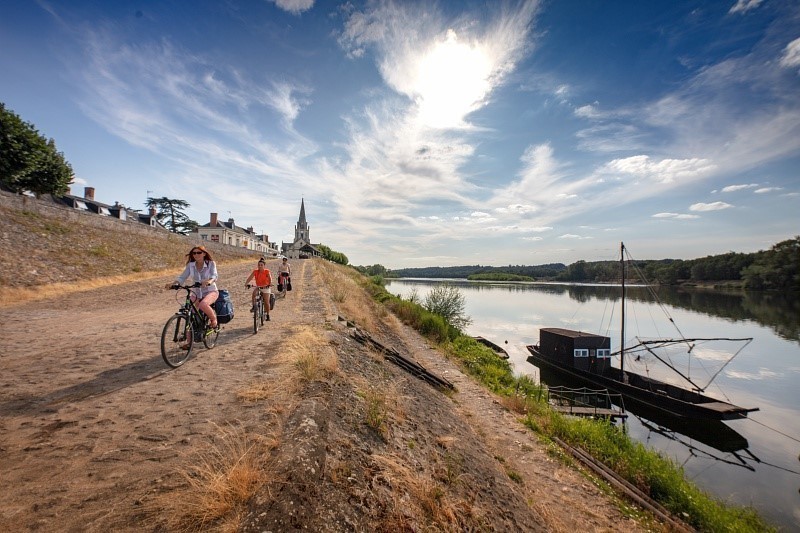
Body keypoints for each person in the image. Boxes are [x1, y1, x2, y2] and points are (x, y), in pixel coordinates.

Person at [165, 245, 220, 329]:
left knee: (203, 304)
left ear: (204, 254)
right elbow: (182, 277)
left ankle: (213, 320)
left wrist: (209, 281)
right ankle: (189, 340)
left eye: (199, 252)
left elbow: (214, 275)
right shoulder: (190, 265)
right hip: (196, 293)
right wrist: (174, 283)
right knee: (187, 311)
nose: (196, 255)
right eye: (194, 253)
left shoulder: (211, 263)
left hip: (210, 291)